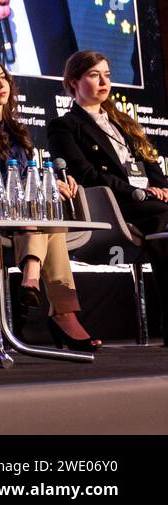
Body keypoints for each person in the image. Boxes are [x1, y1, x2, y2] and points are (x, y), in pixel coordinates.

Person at [0, 57, 97, 350]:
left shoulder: (16, 130)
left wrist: (54, 184)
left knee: (49, 222)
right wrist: (37, 187)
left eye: (3, 77)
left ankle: (35, 283)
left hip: (24, 217)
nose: (2, 84)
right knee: (45, 221)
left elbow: (28, 177)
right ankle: (61, 311)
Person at [47, 50, 168, 346]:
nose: (103, 82)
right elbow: (86, 176)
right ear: (74, 81)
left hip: (148, 202)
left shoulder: (123, 122)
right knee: (164, 220)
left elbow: (151, 164)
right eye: (93, 75)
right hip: (112, 206)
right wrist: (137, 191)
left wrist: (162, 186)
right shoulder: (65, 126)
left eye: (107, 75)